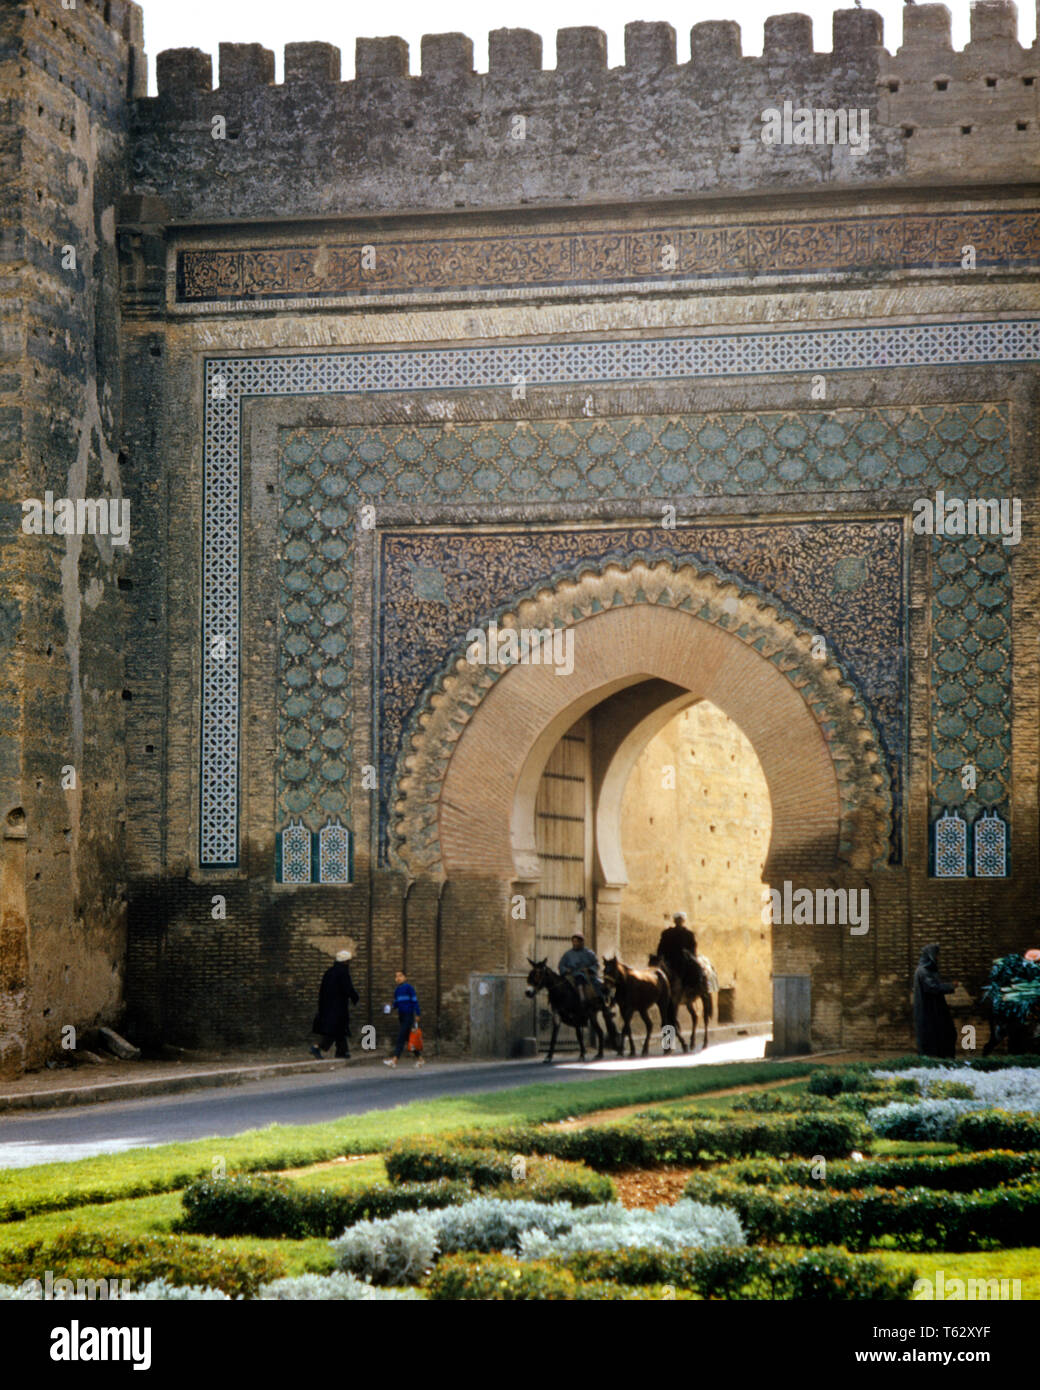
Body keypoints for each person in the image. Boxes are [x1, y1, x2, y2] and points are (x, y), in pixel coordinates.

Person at [310, 949, 359, 1060]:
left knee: (339, 1029)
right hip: (339, 1007)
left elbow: (322, 991)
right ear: (345, 962)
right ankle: (317, 1047)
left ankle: (342, 1051)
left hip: (327, 1006)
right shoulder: (343, 973)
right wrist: (355, 998)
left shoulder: (329, 972)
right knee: (335, 1029)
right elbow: (348, 988)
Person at [913, 943, 958, 1058]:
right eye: (936, 955)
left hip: (935, 1010)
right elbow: (932, 988)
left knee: (947, 1033)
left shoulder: (928, 971)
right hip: (929, 1011)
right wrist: (950, 986)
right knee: (936, 1035)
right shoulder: (923, 971)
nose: (938, 958)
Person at [383, 969, 424, 1068]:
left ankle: (394, 1060)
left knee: (401, 1037)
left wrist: (417, 1014)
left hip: (409, 1015)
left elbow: (415, 1001)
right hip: (401, 1016)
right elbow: (396, 1004)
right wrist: (390, 1007)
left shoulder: (409, 988)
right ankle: (420, 1059)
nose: (398, 978)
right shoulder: (397, 990)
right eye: (396, 976)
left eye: (400, 976)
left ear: (405, 977)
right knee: (408, 1038)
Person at [558, 933, 606, 1008]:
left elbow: (596, 964)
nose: (575, 943)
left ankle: (605, 1009)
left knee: (599, 986)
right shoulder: (568, 954)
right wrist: (566, 969)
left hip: (588, 976)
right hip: (572, 975)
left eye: (577, 941)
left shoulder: (589, 953)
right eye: (573, 941)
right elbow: (561, 965)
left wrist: (589, 969)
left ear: (581, 942)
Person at [656, 911, 700, 989]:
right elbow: (661, 946)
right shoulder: (667, 933)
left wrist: (690, 954)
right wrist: (660, 956)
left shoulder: (688, 934)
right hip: (669, 957)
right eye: (677, 920)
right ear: (674, 921)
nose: (678, 922)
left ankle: (694, 986)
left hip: (684, 958)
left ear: (683, 921)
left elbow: (692, 947)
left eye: (680, 920)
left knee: (696, 968)